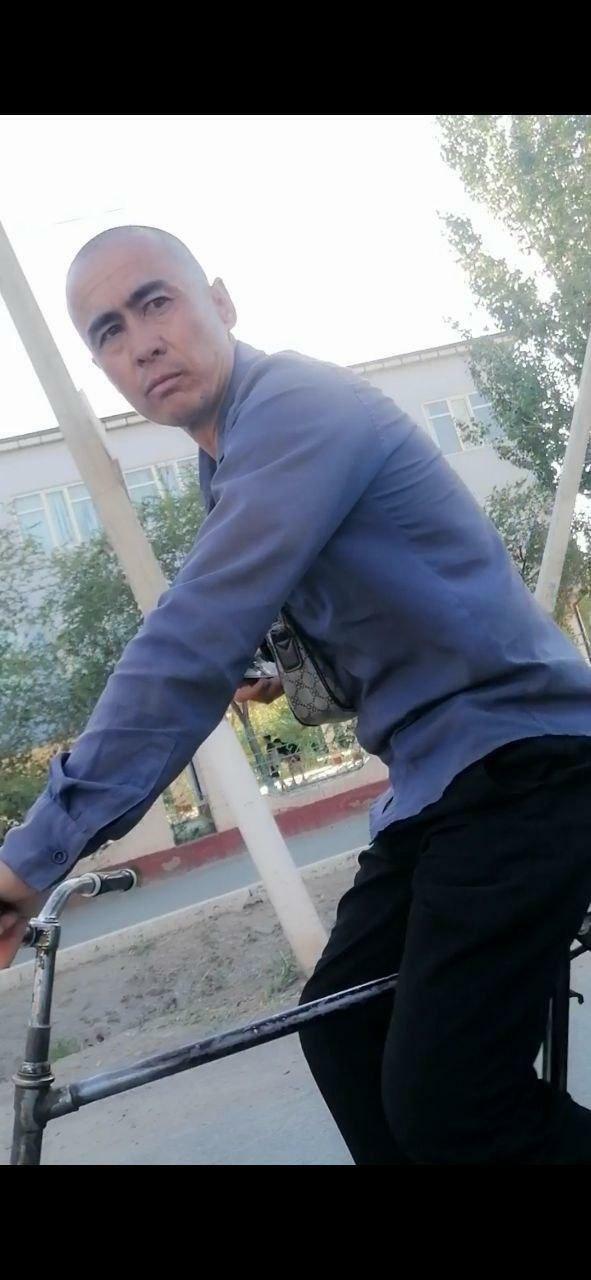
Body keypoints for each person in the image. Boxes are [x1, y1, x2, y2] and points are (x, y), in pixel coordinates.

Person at [3, 225, 591, 1163]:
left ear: (220, 302)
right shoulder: (226, 462)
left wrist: (31, 855)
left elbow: (191, 639)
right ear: (101, 366)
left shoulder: (293, 408)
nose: (141, 342)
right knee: (339, 1029)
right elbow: (324, 630)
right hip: (438, 787)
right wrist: (283, 672)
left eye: (156, 302)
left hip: (527, 762)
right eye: (108, 332)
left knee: (451, 1101)